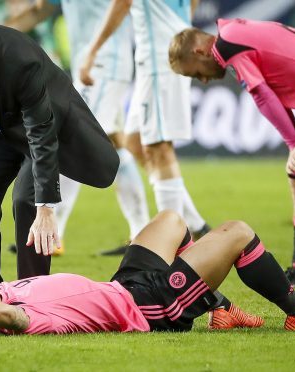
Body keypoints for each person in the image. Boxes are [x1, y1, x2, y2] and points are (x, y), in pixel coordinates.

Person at [0, 211, 295, 334]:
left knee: (172, 221)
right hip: (150, 305)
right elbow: (0, 316)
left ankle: (219, 307)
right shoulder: (15, 319)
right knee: (237, 232)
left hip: (123, 284)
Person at [168, 18, 295, 288]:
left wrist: (293, 144)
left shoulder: (228, 47)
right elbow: (269, 91)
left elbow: (262, 95)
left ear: (199, 51)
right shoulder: (232, 34)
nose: (203, 80)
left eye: (196, 74)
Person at [0, 22, 119, 288]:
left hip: (39, 126)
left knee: (27, 201)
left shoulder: (20, 61)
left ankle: (33, 294)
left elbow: (40, 134)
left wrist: (46, 208)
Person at [5, 0, 151, 255]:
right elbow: (41, 9)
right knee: (114, 144)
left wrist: (94, 52)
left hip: (102, 63)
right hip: (96, 63)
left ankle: (53, 233)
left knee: (70, 140)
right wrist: (0, 32)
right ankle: (141, 235)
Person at [80, 0, 211, 248]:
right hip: (164, 48)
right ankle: (195, 224)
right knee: (135, 142)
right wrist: (179, 24)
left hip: (161, 55)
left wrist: (93, 49)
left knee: (158, 148)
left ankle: (172, 247)